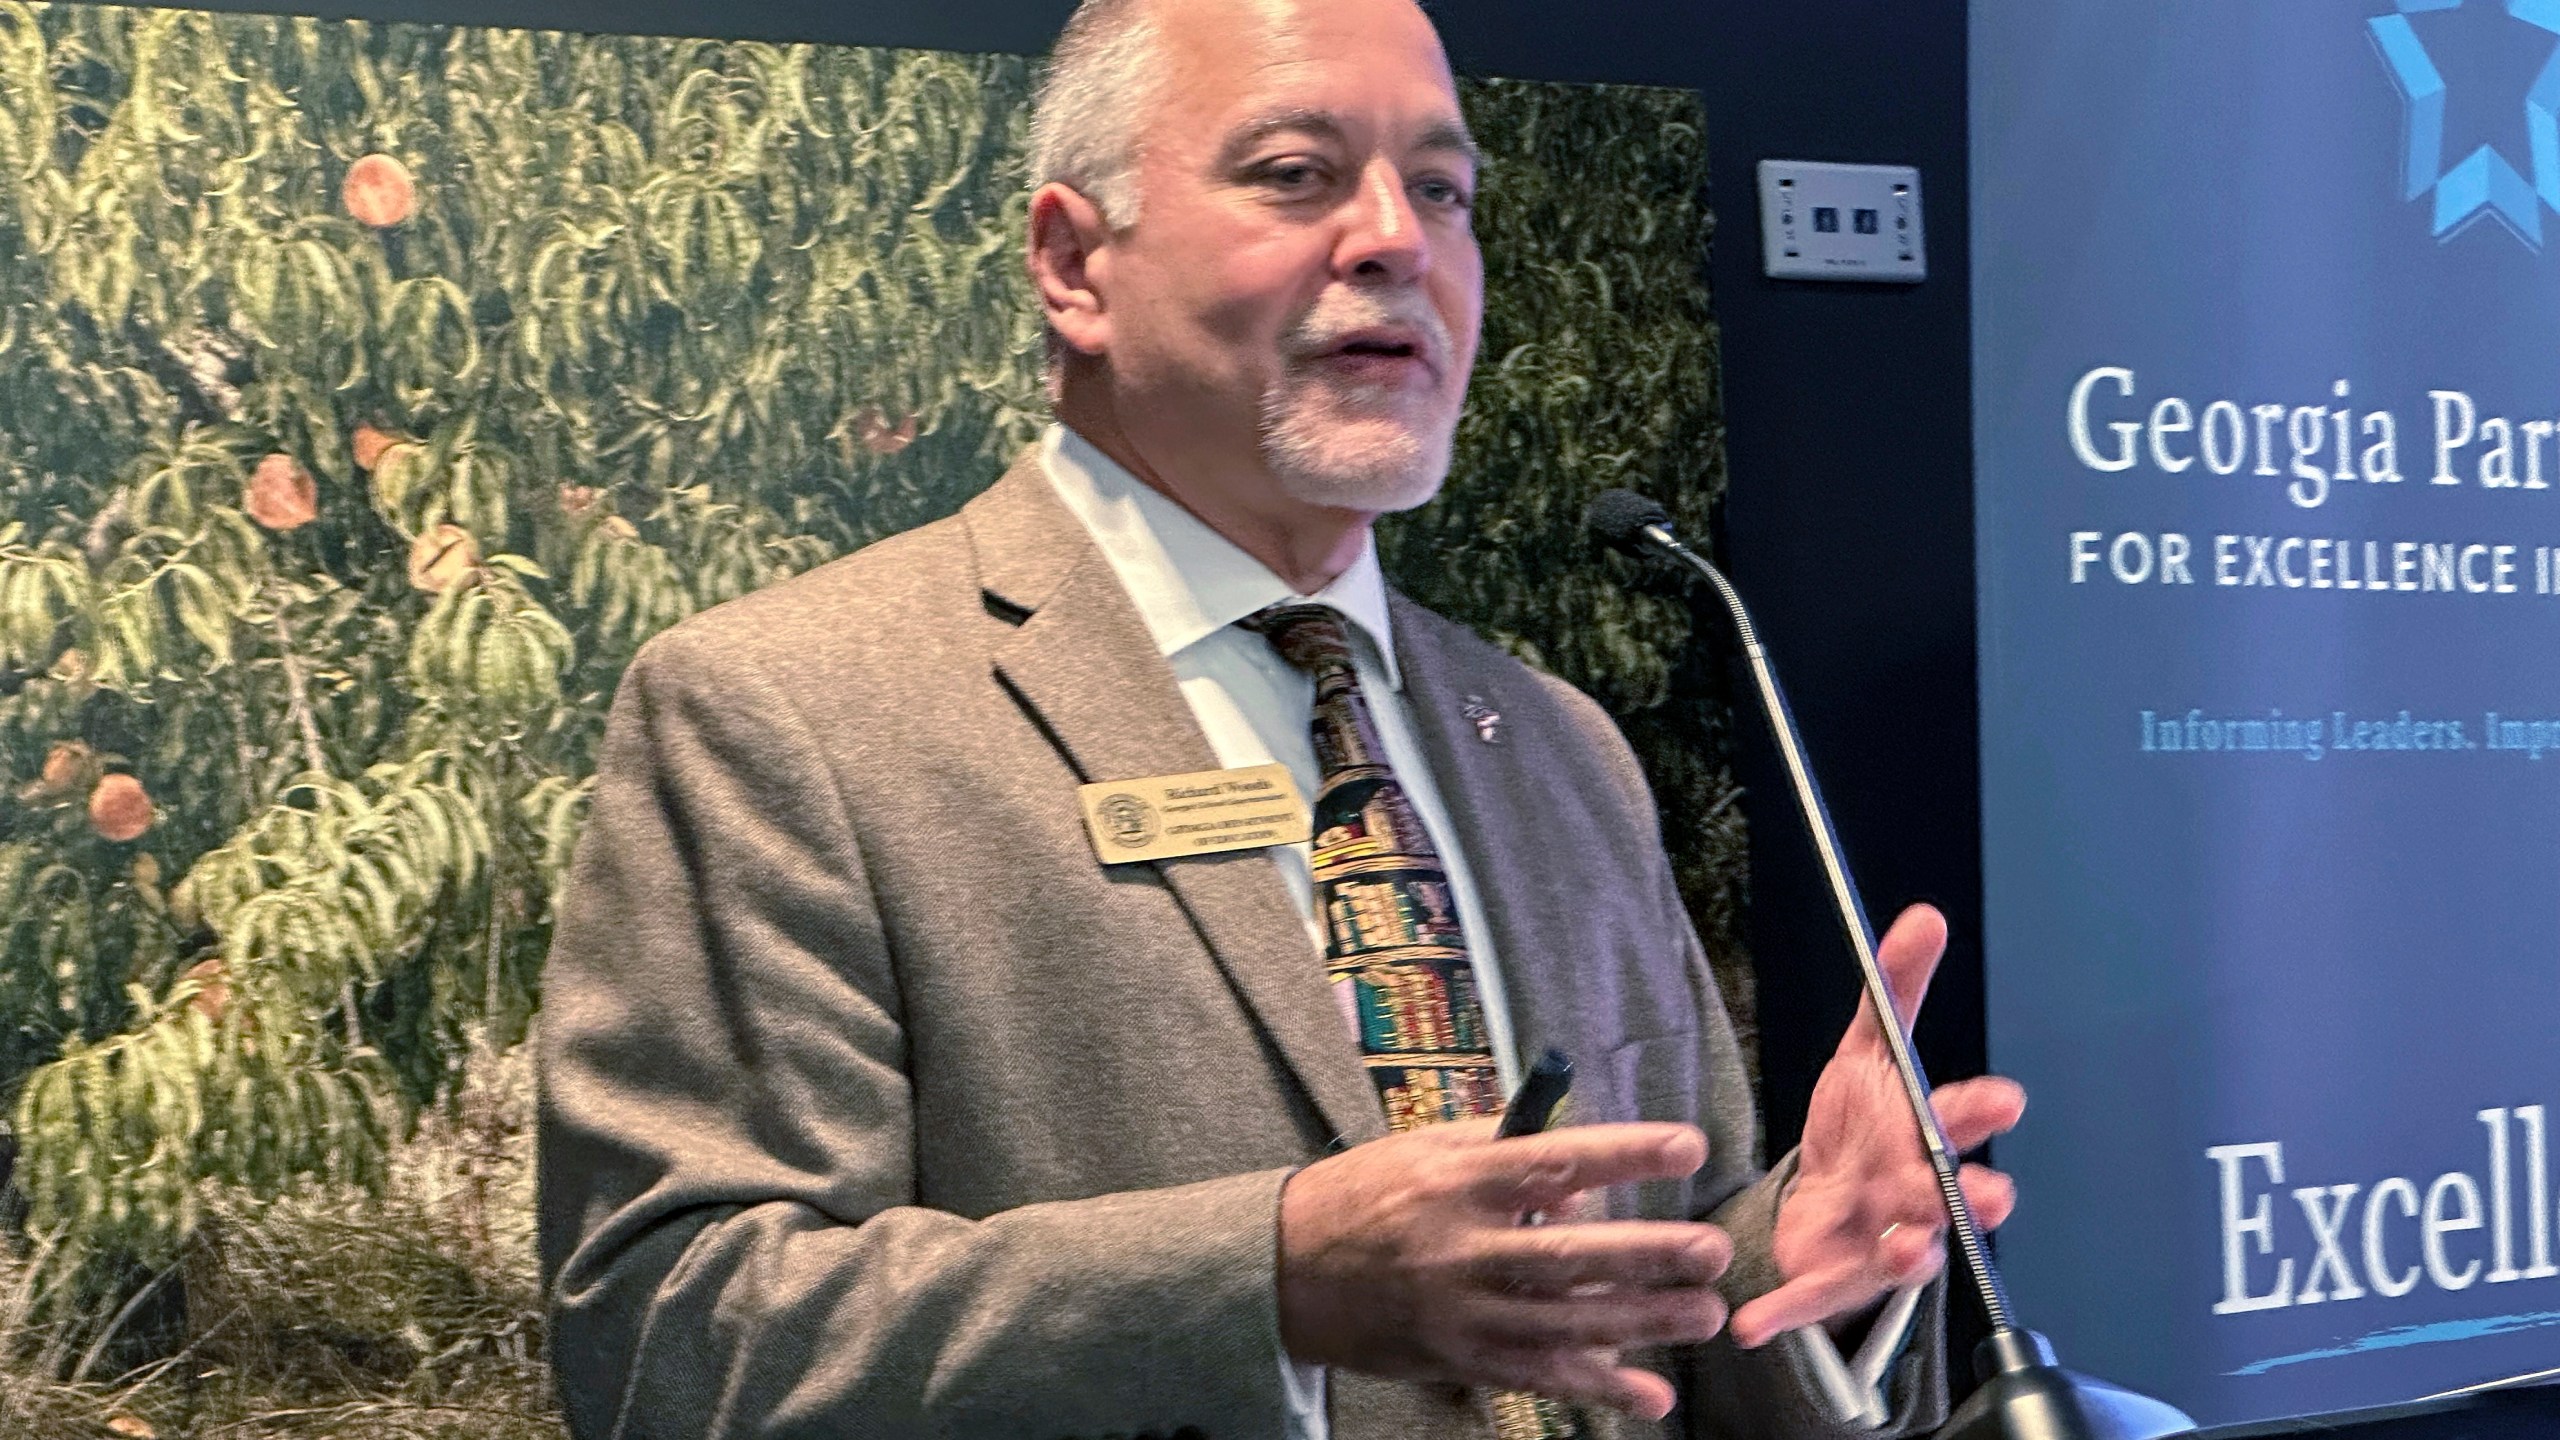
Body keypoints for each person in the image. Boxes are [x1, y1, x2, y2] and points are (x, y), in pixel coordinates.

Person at [535, 0, 2026, 1436]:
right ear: (1072, 263)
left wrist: (1802, 1269)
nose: (1395, 239)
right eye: (1296, 175)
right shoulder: (788, 709)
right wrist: (1270, 1277)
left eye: (1442, 190)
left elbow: (1643, 1324)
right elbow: (676, 1339)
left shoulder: (1561, 743)